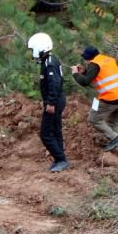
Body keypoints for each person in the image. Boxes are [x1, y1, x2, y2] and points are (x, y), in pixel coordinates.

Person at [71, 46, 118, 151]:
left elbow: (85, 82)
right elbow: (101, 75)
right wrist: (85, 72)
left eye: (86, 58)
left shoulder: (94, 64)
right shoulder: (107, 60)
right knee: (113, 122)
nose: (86, 61)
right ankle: (115, 148)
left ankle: (115, 139)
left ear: (89, 58)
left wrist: (75, 74)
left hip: (112, 97)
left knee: (93, 119)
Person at [27, 32, 70, 172]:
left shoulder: (49, 63)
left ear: (39, 48)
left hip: (55, 102)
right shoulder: (49, 60)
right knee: (56, 130)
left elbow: (55, 84)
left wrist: (50, 103)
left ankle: (61, 159)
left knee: (45, 133)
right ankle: (60, 158)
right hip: (57, 100)